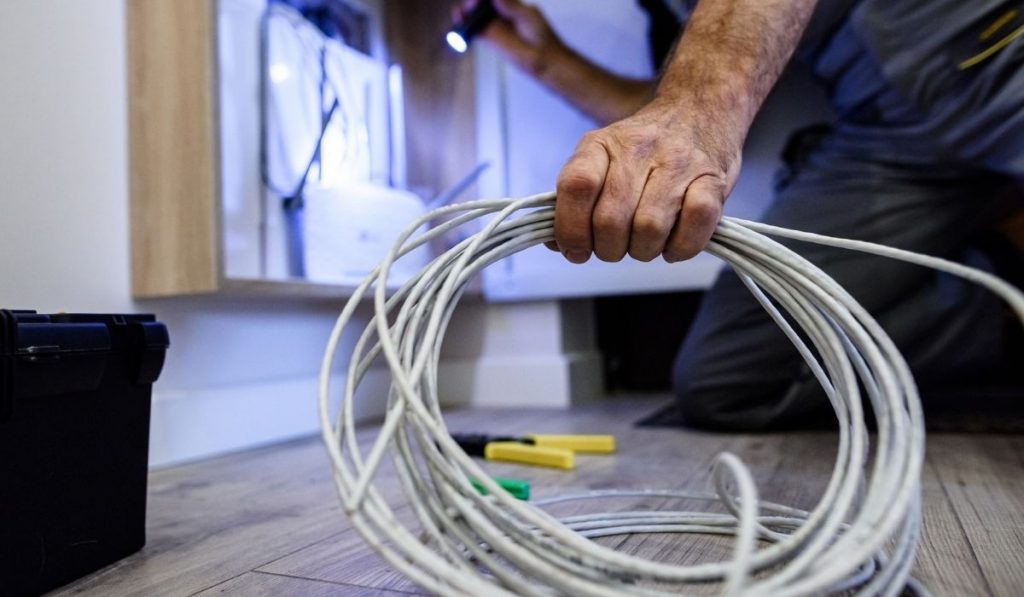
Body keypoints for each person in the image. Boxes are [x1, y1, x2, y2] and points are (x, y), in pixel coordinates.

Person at [454, 0, 1024, 430]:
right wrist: (544, 59)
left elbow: (691, 108)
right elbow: (659, 119)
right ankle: (1002, 288)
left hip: (996, 48)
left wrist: (699, 109)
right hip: (887, 138)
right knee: (726, 382)